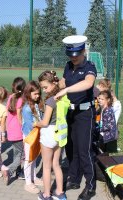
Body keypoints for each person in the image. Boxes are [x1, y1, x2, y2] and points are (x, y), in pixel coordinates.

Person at [54, 35, 97, 200]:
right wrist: (55, 83)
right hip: (70, 113)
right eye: (70, 55)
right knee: (71, 148)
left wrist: (66, 90)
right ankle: (74, 179)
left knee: (84, 150)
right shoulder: (68, 65)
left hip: (85, 114)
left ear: (83, 51)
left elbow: (88, 83)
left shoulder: (89, 66)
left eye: (76, 54)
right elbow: (64, 82)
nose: (73, 58)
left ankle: (90, 186)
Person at [35, 70, 67, 200]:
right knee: (56, 165)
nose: (44, 90)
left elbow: (45, 122)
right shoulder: (62, 97)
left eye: (45, 87)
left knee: (46, 167)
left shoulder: (50, 102)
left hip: (48, 134)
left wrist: (35, 123)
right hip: (59, 134)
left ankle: (46, 194)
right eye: (42, 88)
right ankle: (60, 193)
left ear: (54, 83)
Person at [21, 80, 44, 194]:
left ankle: (34, 177)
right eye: (35, 94)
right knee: (29, 159)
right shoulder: (26, 108)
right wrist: (42, 124)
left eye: (38, 93)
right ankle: (28, 183)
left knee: (34, 157)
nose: (37, 95)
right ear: (28, 93)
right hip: (30, 136)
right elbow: (31, 125)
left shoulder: (36, 104)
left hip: (36, 134)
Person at [3, 77, 26, 185]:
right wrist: (24, 128)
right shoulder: (21, 99)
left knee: (16, 152)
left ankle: (19, 172)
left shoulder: (11, 97)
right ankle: (9, 170)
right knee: (21, 154)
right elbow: (19, 116)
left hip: (11, 129)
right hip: (18, 130)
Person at [96, 79, 122, 152]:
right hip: (110, 107)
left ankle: (110, 145)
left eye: (99, 86)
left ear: (102, 86)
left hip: (114, 107)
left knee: (111, 125)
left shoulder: (108, 94)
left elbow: (110, 124)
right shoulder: (105, 93)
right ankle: (109, 146)